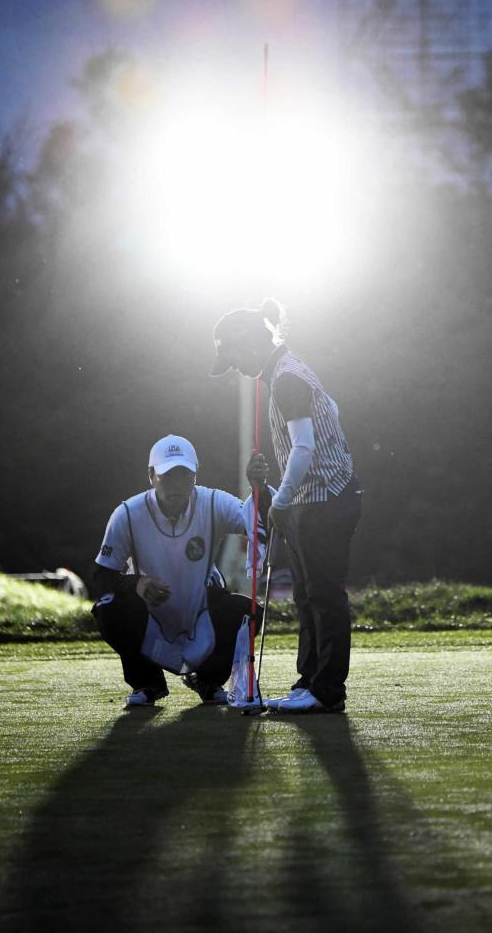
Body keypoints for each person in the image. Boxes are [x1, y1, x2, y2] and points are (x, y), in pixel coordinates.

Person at [210, 300, 362, 714]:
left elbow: (306, 448)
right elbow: (326, 422)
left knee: (324, 596)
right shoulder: (284, 370)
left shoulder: (287, 379)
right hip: (314, 501)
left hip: (326, 503)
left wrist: (280, 499)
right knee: (306, 596)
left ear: (249, 343)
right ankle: (308, 682)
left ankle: (326, 690)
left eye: (234, 356)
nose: (237, 368)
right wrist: (270, 484)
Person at [93, 434, 267, 707]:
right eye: (168, 475)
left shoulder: (212, 502)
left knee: (248, 614)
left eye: (185, 476)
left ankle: (209, 680)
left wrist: (260, 489)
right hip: (149, 615)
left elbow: (255, 523)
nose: (177, 484)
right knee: (108, 609)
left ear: (194, 477)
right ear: (151, 476)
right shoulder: (127, 514)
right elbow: (102, 576)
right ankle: (147, 683)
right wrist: (136, 583)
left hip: (202, 611)